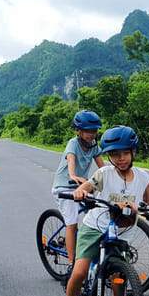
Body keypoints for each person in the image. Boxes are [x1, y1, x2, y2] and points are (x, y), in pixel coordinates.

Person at [54, 125, 149, 296]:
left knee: (119, 280)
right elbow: (88, 187)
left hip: (121, 233)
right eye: (115, 155)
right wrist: (81, 192)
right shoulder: (104, 174)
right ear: (109, 156)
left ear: (133, 152)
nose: (121, 158)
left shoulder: (143, 177)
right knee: (79, 271)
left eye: (125, 153)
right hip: (95, 227)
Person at [51, 110, 105, 270]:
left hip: (82, 186)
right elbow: (71, 158)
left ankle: (91, 250)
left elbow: (103, 167)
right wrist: (73, 174)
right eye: (88, 131)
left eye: (94, 131)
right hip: (64, 186)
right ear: (78, 131)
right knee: (72, 224)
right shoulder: (73, 143)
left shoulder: (94, 145)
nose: (91, 134)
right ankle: (71, 264)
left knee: (98, 214)